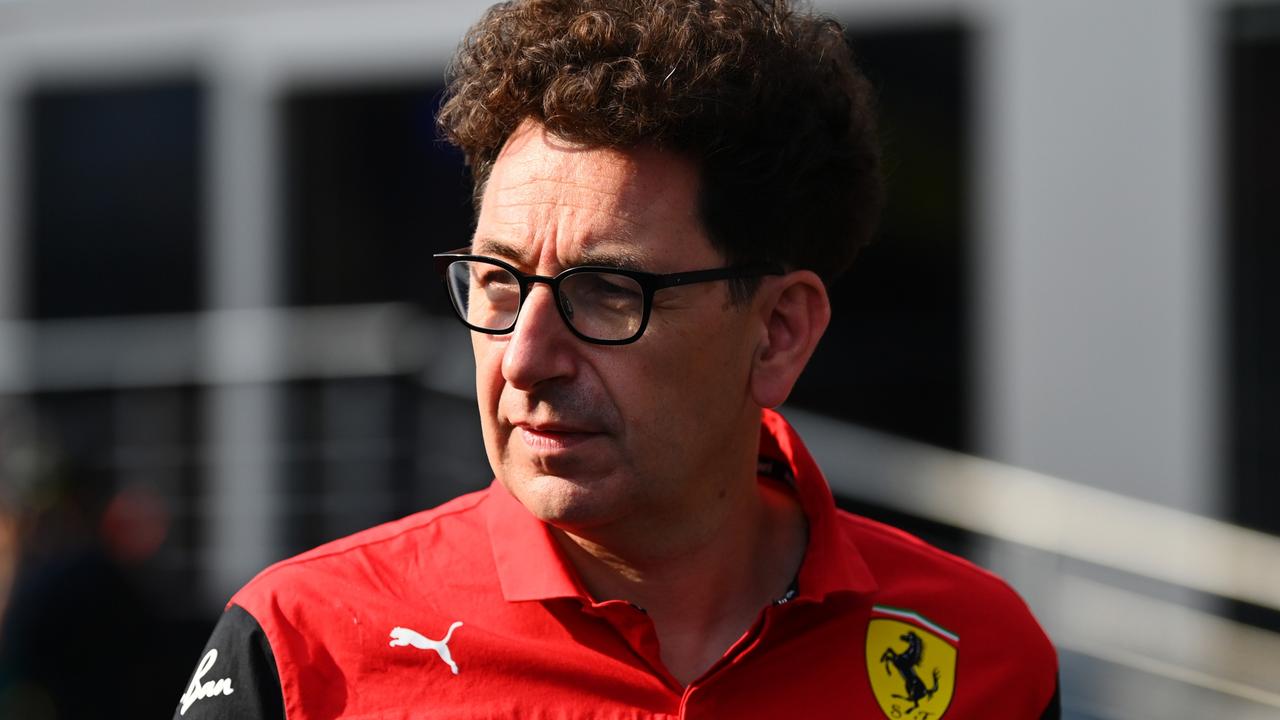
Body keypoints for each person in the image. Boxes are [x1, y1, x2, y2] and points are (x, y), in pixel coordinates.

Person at [175, 1, 1060, 717]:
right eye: (497, 281)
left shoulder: (981, 655)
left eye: (607, 292)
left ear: (779, 330)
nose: (525, 357)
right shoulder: (303, 649)